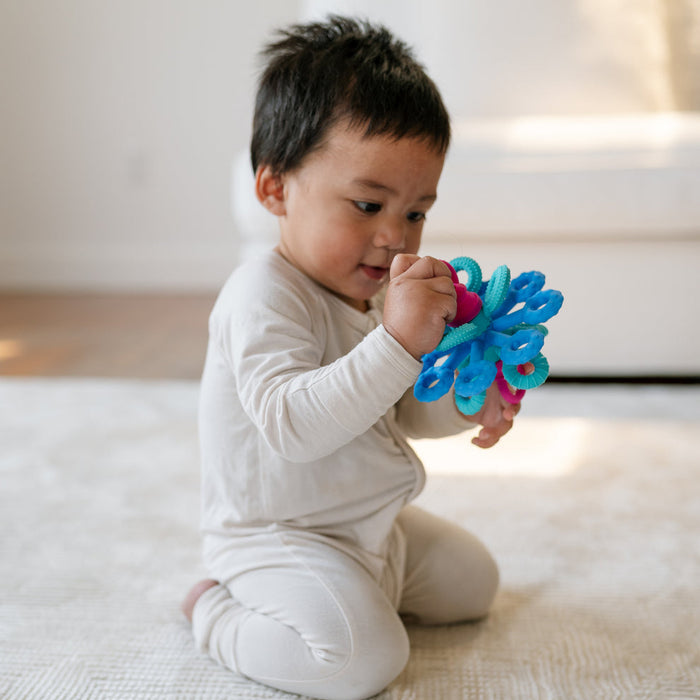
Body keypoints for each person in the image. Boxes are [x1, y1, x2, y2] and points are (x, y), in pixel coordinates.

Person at [182, 16, 523, 700]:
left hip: (364, 523)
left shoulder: (368, 293)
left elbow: (398, 410)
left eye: (417, 211)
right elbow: (293, 426)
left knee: (473, 585)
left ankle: (355, 589)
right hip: (280, 533)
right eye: (368, 204)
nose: (395, 238)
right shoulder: (263, 295)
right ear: (275, 190)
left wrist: (464, 398)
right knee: (361, 663)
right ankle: (213, 608)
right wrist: (398, 342)